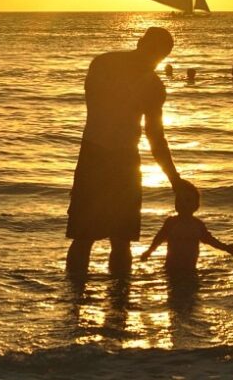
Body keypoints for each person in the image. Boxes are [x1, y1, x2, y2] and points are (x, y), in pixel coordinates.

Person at [66, 27, 193, 277]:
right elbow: (97, 105)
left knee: (121, 238)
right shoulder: (104, 64)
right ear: (140, 43)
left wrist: (174, 179)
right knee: (85, 236)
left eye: (160, 54)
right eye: (152, 50)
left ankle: (118, 301)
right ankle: (74, 299)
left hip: (124, 160)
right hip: (95, 155)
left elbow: (155, 137)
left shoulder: (154, 87)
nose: (154, 58)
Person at [141, 183, 233, 274]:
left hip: (190, 269)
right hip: (172, 269)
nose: (182, 203)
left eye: (188, 200)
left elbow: (209, 240)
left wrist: (225, 247)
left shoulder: (198, 225)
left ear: (196, 206)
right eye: (179, 200)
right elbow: (159, 238)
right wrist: (149, 251)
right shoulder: (171, 222)